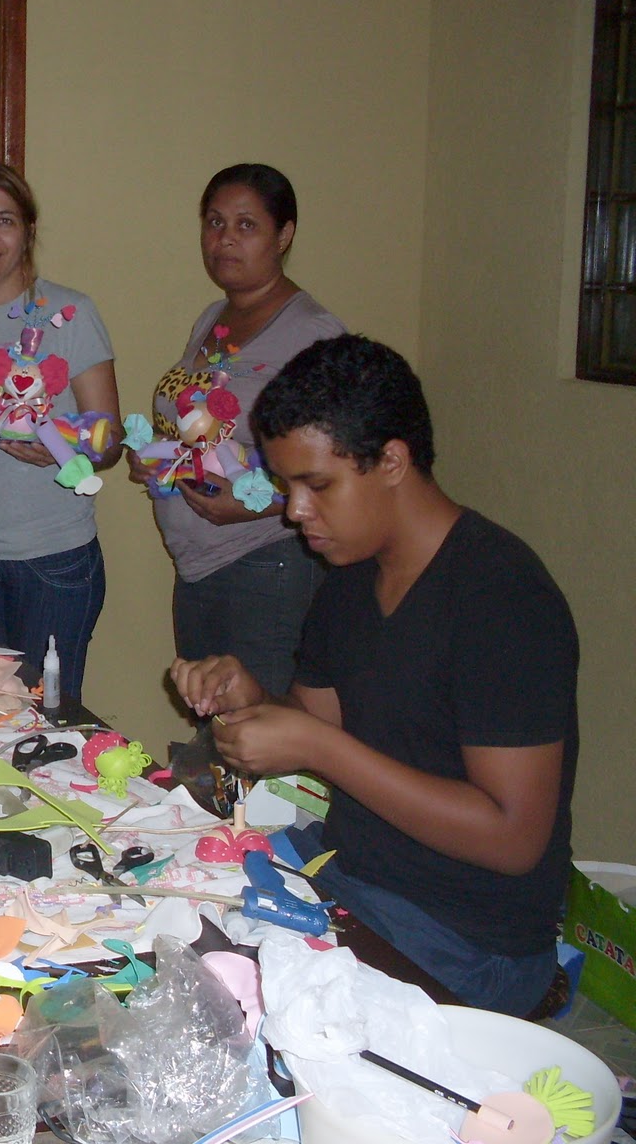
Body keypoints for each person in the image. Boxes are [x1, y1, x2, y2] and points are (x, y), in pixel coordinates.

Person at [172, 336, 578, 1016]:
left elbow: (513, 840)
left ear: (392, 461)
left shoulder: (502, 598)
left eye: (318, 485)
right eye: (287, 486)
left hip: (469, 940)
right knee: (170, 911)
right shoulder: (351, 579)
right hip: (356, 874)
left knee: (232, 1008)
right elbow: (317, 728)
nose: (295, 510)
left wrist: (317, 745)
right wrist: (252, 700)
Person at [129, 163, 345, 699]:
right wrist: (158, 454)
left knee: (258, 727)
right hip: (197, 567)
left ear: (284, 235)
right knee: (213, 720)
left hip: (267, 563)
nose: (225, 239)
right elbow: (202, 426)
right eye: (215, 222)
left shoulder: (311, 332)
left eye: (246, 225)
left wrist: (260, 504)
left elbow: (343, 463)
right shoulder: (213, 318)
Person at [0, 162, 122, 700]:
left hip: (53, 559)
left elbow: (110, 441)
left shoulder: (71, 313)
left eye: (4, 220)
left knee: (47, 715)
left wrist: (64, 450)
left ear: (28, 232)